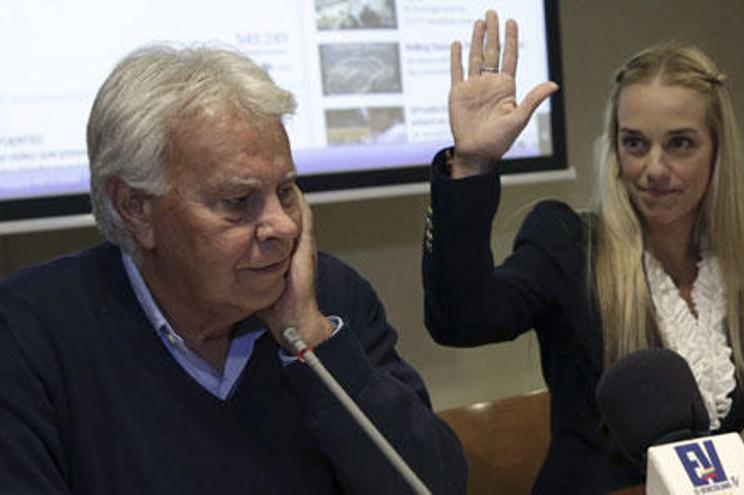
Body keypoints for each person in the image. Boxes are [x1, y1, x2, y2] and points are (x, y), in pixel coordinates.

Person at [422, 10, 744, 493]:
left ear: (718, 151)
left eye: (680, 144)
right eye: (634, 143)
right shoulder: (569, 242)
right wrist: (472, 165)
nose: (654, 168)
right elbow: (461, 320)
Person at [0, 45, 466, 494]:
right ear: (135, 210)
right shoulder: (28, 333)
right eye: (239, 202)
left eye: (285, 191)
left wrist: (309, 337)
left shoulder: (330, 298)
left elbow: (435, 486)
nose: (282, 226)